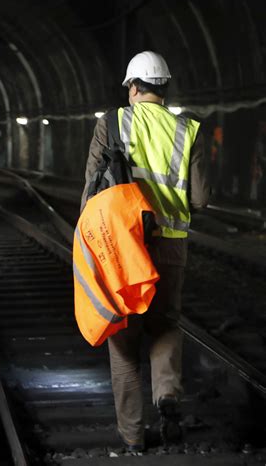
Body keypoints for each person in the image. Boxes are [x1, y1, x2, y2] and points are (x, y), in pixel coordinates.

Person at [81, 51, 210, 453]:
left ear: (133, 87)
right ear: (164, 88)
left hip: (124, 249)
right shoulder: (188, 129)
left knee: (123, 342)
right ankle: (167, 394)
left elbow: (90, 193)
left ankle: (133, 436)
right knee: (166, 325)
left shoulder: (113, 122)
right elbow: (202, 199)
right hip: (171, 245)